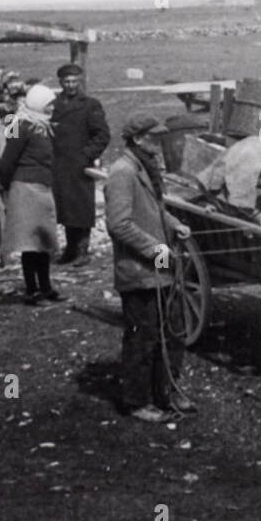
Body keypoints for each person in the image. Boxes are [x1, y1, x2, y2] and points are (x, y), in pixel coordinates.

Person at [104, 113, 194, 422]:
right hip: (139, 272)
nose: (158, 143)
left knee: (173, 333)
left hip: (160, 270)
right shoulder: (122, 172)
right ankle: (136, 401)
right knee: (143, 338)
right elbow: (119, 224)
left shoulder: (144, 168)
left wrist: (175, 224)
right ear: (138, 139)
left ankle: (166, 393)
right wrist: (156, 249)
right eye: (153, 138)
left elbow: (155, 211)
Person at [0, 84, 63, 305]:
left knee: (43, 238)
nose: (52, 107)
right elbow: (6, 161)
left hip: (42, 187)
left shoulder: (43, 126)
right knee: (30, 241)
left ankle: (46, 286)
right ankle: (32, 290)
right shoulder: (19, 124)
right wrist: (7, 187)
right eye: (49, 104)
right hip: (25, 188)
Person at [51, 63, 110, 265]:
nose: (71, 85)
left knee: (82, 208)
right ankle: (70, 248)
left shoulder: (90, 105)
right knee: (66, 208)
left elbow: (102, 135)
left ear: (80, 81)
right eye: (67, 81)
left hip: (80, 165)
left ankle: (83, 250)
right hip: (59, 165)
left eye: (74, 81)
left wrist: (85, 156)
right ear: (60, 82)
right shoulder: (53, 105)